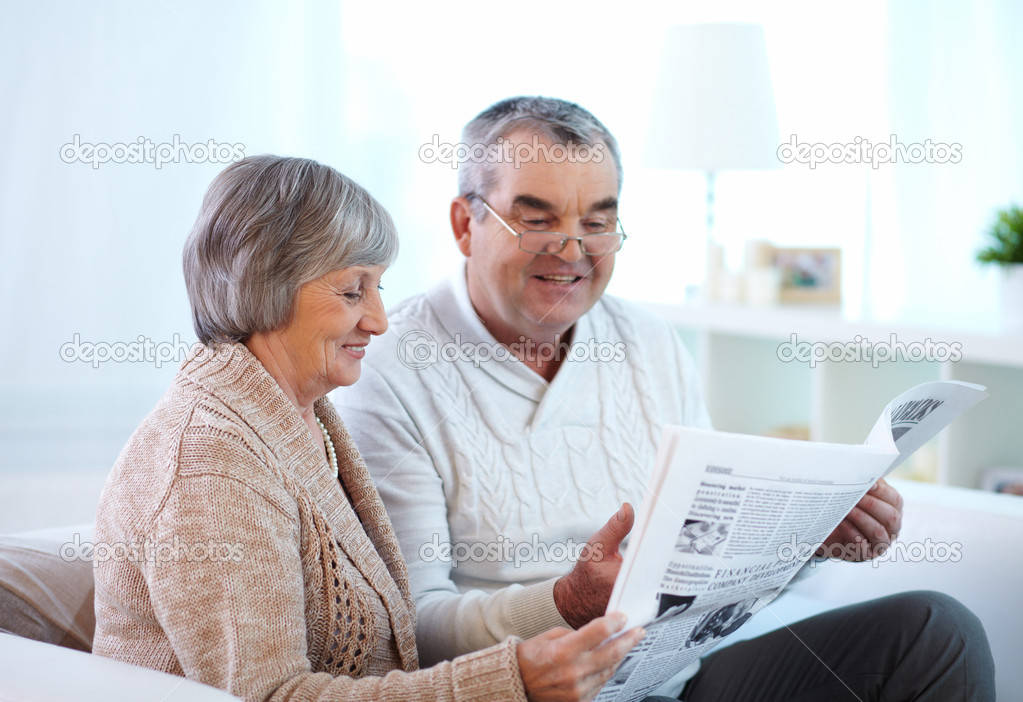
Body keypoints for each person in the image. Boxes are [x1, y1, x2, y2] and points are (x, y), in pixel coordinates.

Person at [334, 97, 996, 700]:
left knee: (934, 631)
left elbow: (713, 570)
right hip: (538, 688)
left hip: (671, 675)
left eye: (598, 222)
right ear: (463, 223)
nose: (572, 250)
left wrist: (809, 536)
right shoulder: (388, 367)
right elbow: (413, 629)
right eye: (537, 219)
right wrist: (566, 602)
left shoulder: (648, 340)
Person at [91, 154, 645, 702]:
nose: (379, 320)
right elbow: (269, 697)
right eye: (353, 290)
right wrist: (510, 683)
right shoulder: (212, 465)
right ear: (266, 283)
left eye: (379, 287)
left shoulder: (298, 413)